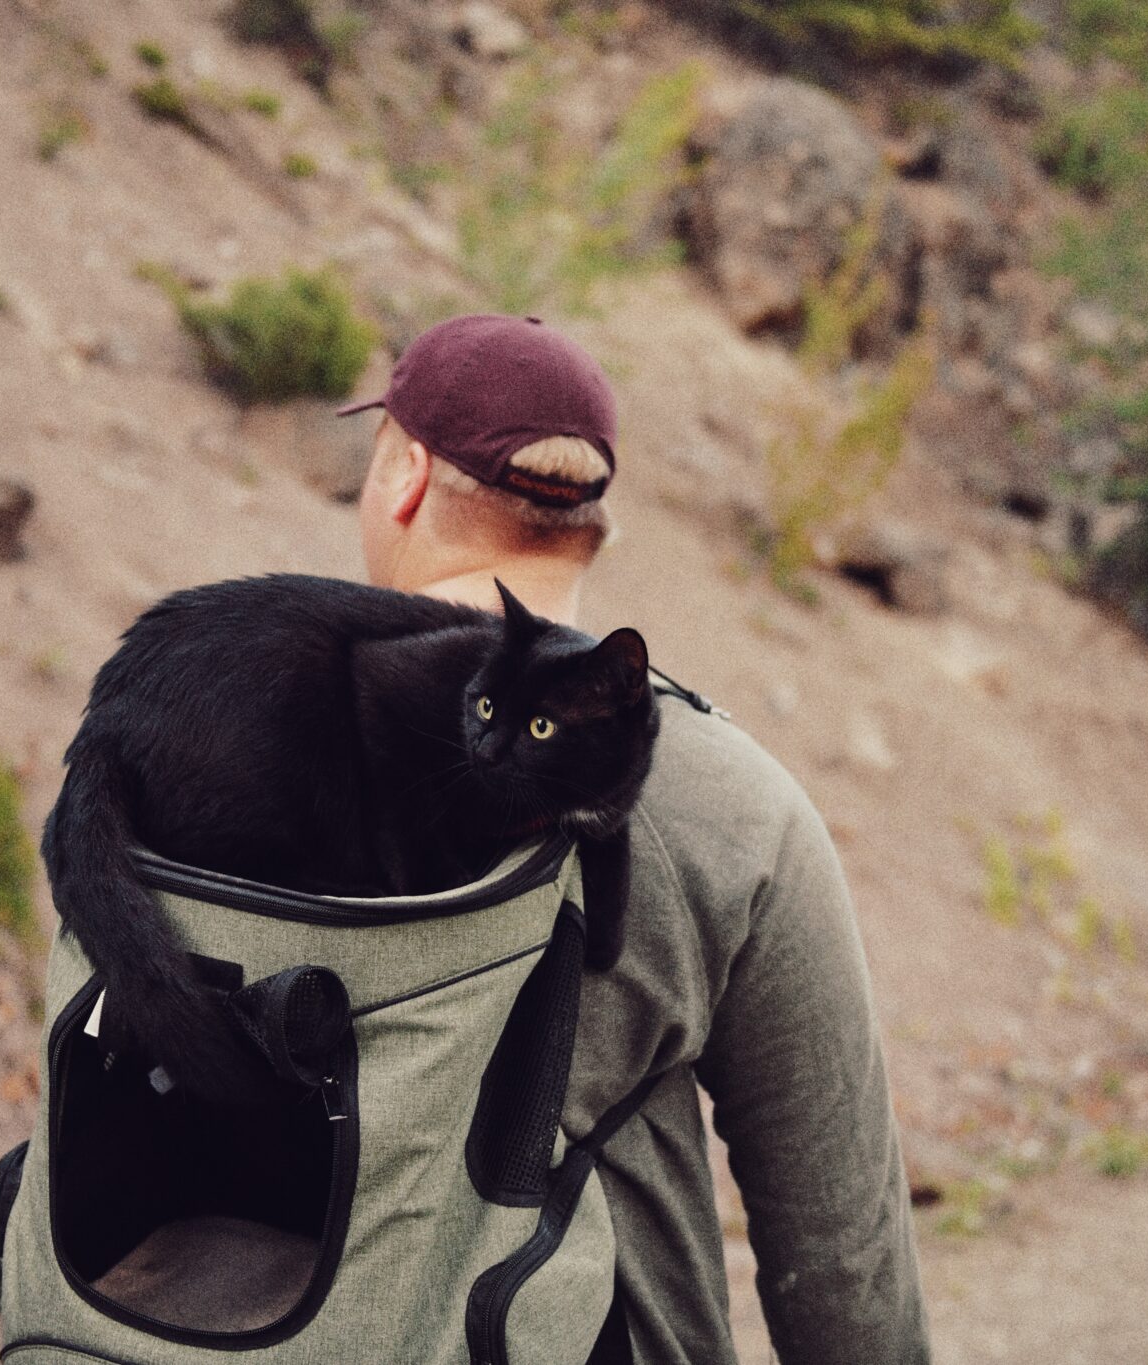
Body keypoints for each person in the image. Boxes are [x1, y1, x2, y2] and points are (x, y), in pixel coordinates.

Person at [337, 314, 932, 1364]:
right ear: (589, 527)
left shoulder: (223, 721)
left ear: (407, 478)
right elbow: (840, 1256)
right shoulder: (737, 811)